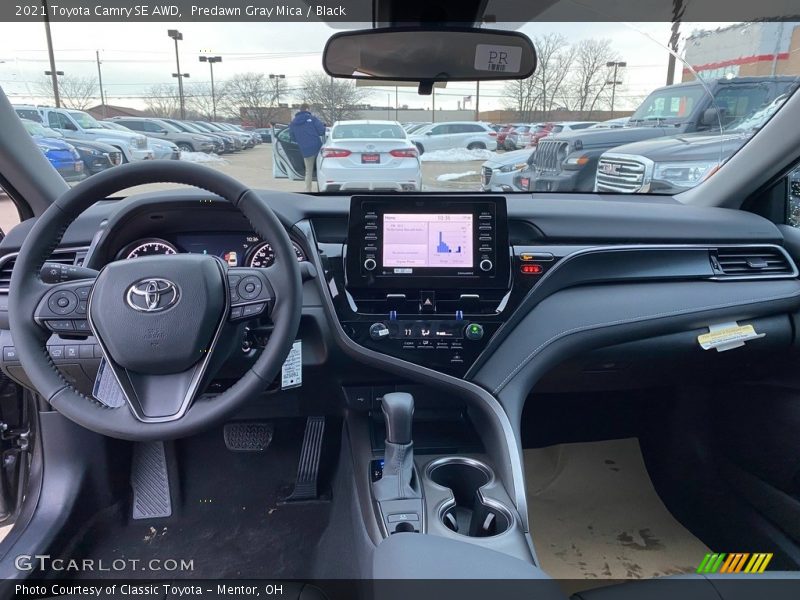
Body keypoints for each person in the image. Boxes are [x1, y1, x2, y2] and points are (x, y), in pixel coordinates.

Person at [288, 104, 326, 192]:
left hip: (305, 150)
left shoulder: (293, 123)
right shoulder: (312, 119)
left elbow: (292, 137)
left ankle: (308, 190)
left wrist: (302, 141)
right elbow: (321, 131)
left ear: (300, 110)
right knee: (321, 170)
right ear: (307, 109)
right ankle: (322, 190)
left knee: (308, 171)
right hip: (317, 148)